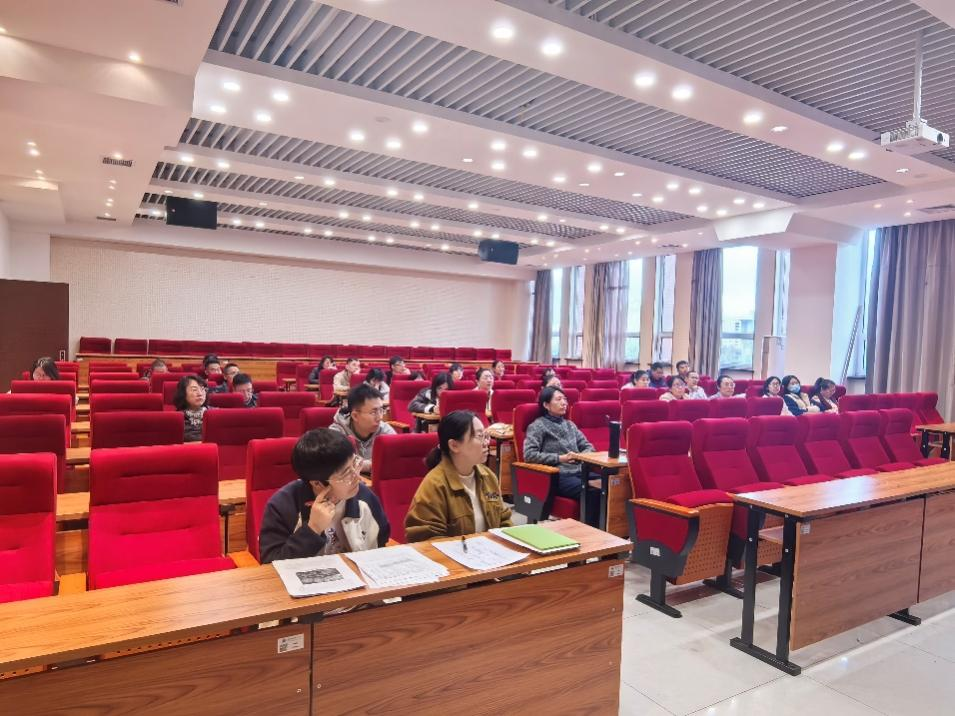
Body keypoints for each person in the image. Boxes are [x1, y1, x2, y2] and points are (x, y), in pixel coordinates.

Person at [259, 429, 390, 563]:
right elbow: (270, 563)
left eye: (355, 463)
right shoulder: (283, 505)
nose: (357, 477)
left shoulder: (364, 496)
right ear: (317, 483)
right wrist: (313, 529)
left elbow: (381, 541)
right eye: (346, 474)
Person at [404, 410, 512, 542]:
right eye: (479, 436)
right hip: (451, 555)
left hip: (489, 552)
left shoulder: (488, 476)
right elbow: (426, 539)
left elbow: (504, 520)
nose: (486, 443)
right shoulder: (435, 484)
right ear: (454, 445)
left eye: (486, 436)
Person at [523, 386, 598, 526]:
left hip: (579, 471)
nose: (564, 403)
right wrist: (560, 458)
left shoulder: (570, 425)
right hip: (557, 475)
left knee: (609, 485)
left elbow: (589, 447)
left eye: (565, 399)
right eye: (558, 399)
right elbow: (529, 455)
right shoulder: (537, 426)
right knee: (592, 491)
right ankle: (590, 532)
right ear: (546, 405)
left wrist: (579, 456)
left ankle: (609, 530)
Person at [328, 383, 395, 473]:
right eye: (373, 412)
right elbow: (337, 463)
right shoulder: (337, 432)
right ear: (355, 416)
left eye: (381, 410)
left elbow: (395, 460)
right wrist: (372, 465)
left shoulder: (385, 430)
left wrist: (361, 465)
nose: (380, 417)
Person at [173, 375, 211, 442]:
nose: (200, 394)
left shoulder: (215, 414)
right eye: (194, 390)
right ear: (183, 393)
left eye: (202, 389)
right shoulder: (176, 419)